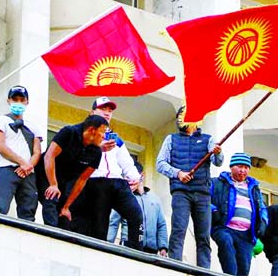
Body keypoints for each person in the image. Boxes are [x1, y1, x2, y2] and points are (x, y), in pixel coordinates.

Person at [71, 97, 143, 250]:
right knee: (99, 228)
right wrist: (97, 146)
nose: (107, 113)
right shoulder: (83, 133)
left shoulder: (116, 138)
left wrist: (136, 179)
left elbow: (127, 163)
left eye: (110, 110)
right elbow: (75, 157)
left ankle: (136, 252)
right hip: (96, 182)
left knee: (136, 214)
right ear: (92, 112)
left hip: (118, 182)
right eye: (103, 109)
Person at [156, 106, 223, 268]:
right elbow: (160, 164)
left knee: (203, 236)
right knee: (179, 230)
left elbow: (218, 162)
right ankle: (174, 267)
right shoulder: (171, 139)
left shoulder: (208, 139)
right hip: (181, 192)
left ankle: (204, 270)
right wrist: (178, 173)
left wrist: (217, 152)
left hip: (202, 193)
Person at [35, 114, 107, 229]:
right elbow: (49, 156)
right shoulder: (69, 132)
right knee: (51, 199)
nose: (104, 137)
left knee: (65, 216)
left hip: (65, 180)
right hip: (45, 173)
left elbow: (82, 179)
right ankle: (52, 236)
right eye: (103, 132)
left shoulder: (96, 152)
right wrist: (53, 184)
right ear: (92, 130)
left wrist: (66, 207)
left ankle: (61, 241)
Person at [210, 152, 268, 276]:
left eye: (246, 167)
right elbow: (203, 200)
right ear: (232, 167)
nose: (243, 170)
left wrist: (263, 221)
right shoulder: (217, 183)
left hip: (246, 234)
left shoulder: (254, 188)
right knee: (226, 246)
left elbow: (262, 208)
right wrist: (213, 210)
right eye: (240, 166)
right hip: (224, 228)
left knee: (243, 269)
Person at [0, 86, 42, 221]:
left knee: (28, 212)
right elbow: (0, 146)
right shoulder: (1, 120)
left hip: (28, 173)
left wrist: (28, 166)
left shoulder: (33, 126)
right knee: (0, 208)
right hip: (6, 169)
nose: (18, 102)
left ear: (27, 102)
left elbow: (37, 151)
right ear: (8, 100)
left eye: (21, 99)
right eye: (15, 99)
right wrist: (22, 162)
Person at [107, 161, 168, 256]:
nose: (129, 180)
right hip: (129, 246)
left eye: (131, 176)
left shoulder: (155, 199)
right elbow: (113, 223)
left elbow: (161, 225)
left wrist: (163, 247)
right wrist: (107, 243)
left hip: (151, 250)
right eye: (126, 177)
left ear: (141, 175)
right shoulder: (122, 198)